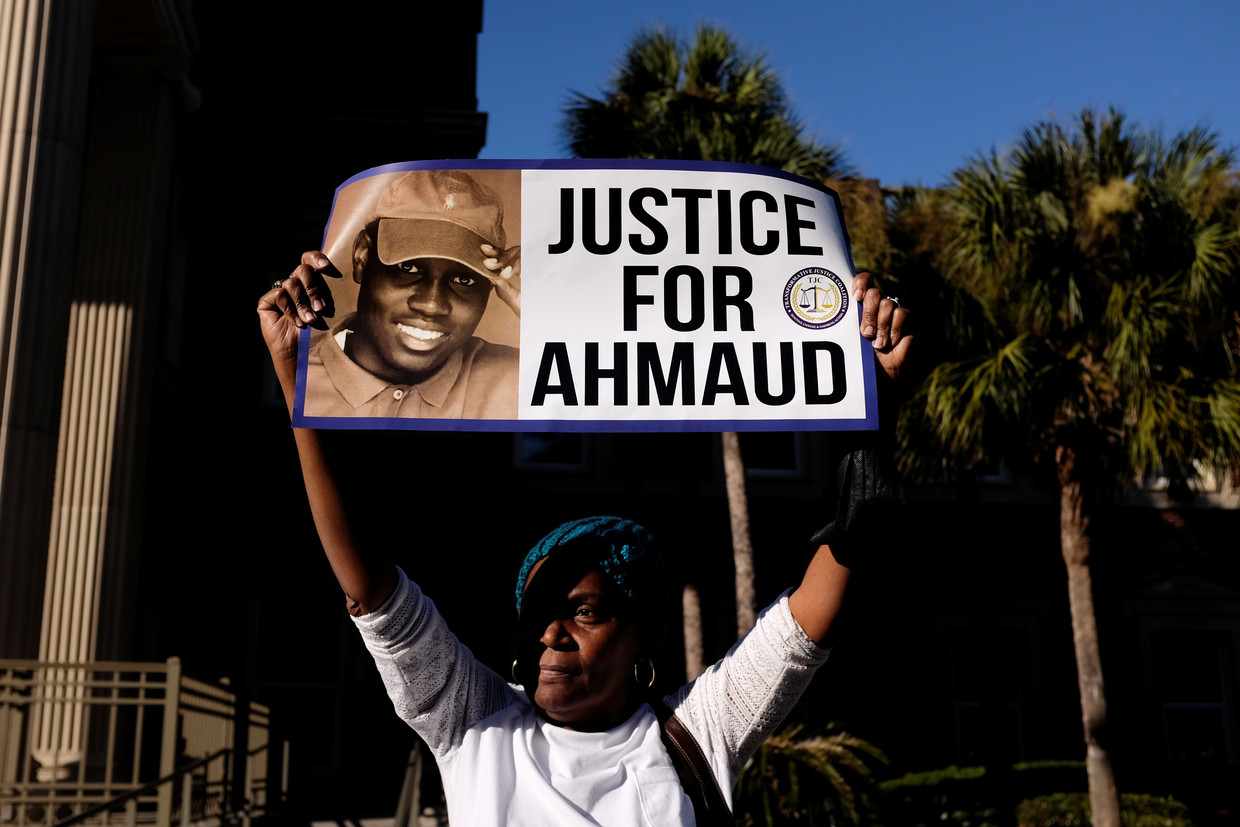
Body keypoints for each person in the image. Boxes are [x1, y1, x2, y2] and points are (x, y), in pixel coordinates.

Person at [261, 257, 912, 825]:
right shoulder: (475, 720)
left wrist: (871, 399)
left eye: (586, 610)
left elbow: (807, 620)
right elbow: (370, 586)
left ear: (642, 640)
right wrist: (299, 378)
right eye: (541, 611)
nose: (551, 632)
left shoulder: (698, 731)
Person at [303, 170, 523, 419]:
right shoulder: (291, 368)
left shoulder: (524, 382)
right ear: (362, 257)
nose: (431, 304)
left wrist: (551, 307)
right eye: (408, 268)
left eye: (464, 279)